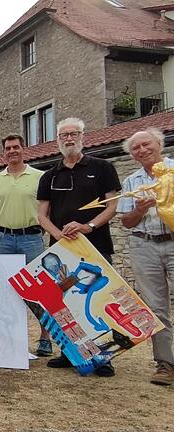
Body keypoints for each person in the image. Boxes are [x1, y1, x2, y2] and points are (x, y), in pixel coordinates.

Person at [36, 117, 121, 377]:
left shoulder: (103, 168)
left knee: (98, 302)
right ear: (58, 140)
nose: (69, 139)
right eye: (64, 136)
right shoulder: (50, 175)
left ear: (83, 136)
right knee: (67, 304)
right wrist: (58, 235)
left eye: (74, 134)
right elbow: (42, 215)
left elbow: (112, 206)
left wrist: (89, 227)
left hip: (95, 245)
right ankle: (70, 354)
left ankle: (103, 357)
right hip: (63, 250)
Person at [0, 134, 53, 356]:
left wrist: (34, 229)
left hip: (31, 239)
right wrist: (6, 226)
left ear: (23, 149)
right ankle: (9, 337)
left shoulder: (39, 176)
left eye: (16, 147)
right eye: (8, 148)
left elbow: (46, 208)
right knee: (4, 290)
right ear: (3, 152)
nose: (12, 151)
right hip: (4, 239)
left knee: (38, 289)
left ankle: (45, 337)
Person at [118, 128, 174, 386]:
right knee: (156, 307)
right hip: (145, 244)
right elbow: (127, 222)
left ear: (159, 144)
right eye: (135, 148)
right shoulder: (132, 181)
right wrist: (139, 210)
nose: (142, 150)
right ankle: (165, 364)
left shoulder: (173, 171)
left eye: (146, 144)